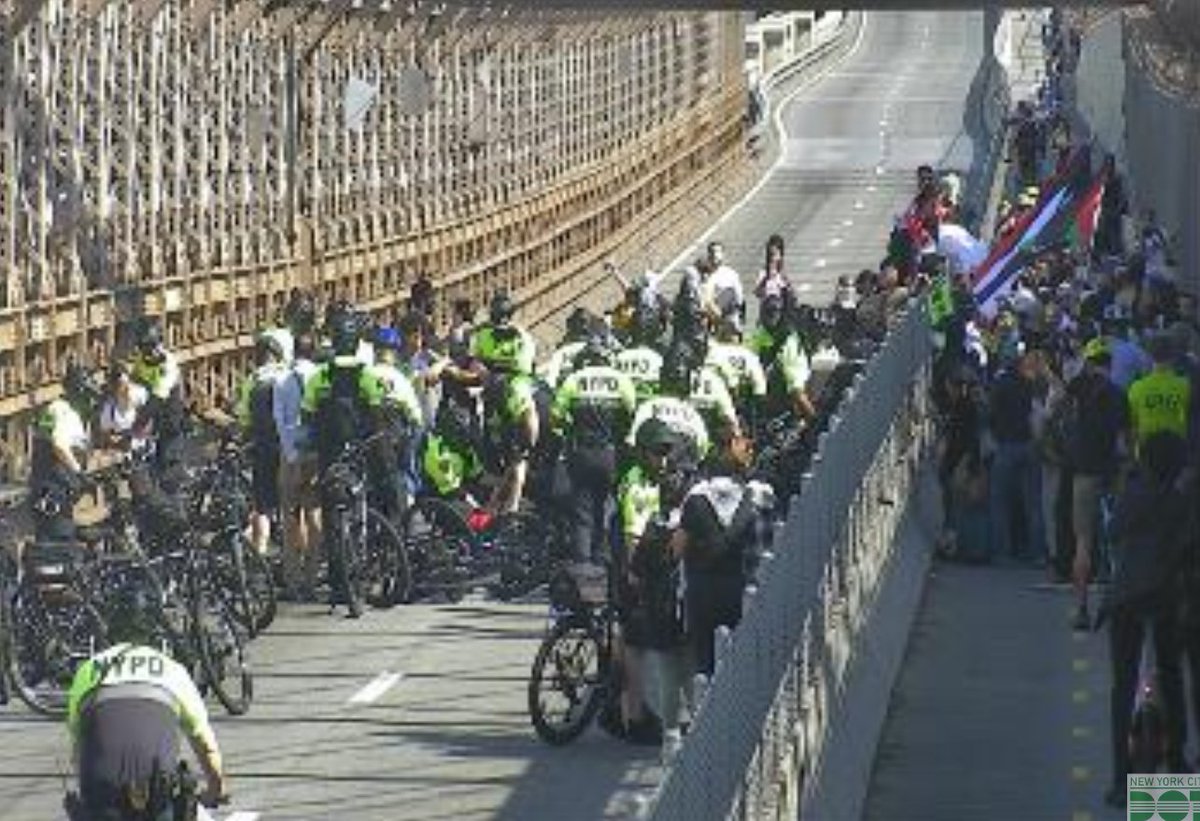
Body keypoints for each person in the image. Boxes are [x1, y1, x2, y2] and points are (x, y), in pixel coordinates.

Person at [1099, 432, 1194, 808]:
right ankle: (1177, 764)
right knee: (1171, 677)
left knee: (1123, 685)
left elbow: (1111, 532)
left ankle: (1122, 781)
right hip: (1167, 598)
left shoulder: (1133, 493)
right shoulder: (1181, 502)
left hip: (1126, 598)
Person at [66, 640, 228, 819]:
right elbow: (205, 745)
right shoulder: (173, 670)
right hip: (156, 785)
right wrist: (215, 789)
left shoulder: (87, 670)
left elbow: (79, 747)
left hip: (101, 783)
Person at [671, 434, 773, 678]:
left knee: (704, 659)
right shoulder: (760, 495)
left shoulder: (696, 495)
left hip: (702, 588)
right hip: (743, 588)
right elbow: (768, 543)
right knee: (740, 659)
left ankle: (704, 706)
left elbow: (677, 549)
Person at [551, 338, 637, 579]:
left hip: (580, 451)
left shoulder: (574, 380)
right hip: (609, 451)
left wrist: (571, 428)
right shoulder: (621, 380)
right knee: (608, 502)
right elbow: (631, 414)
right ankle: (604, 554)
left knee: (582, 505)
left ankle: (583, 557)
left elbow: (556, 417)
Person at [1061, 337, 1129, 628]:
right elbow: (1125, 442)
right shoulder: (1118, 394)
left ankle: (1080, 608)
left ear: (1089, 363)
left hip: (1084, 472)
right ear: (1110, 365)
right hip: (1112, 472)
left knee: (1083, 542)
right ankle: (1121, 605)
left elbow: (1059, 406)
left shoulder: (1078, 387)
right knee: (1120, 542)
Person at [986, 347, 1045, 564]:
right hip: (1029, 445)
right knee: (1033, 504)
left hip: (1007, 445)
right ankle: (1038, 553)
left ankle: (1002, 553)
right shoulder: (1030, 384)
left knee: (1000, 501)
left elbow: (990, 414)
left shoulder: (1000, 384)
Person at [235, 333, 292, 557]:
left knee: (262, 503)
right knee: (292, 502)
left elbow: (244, 417)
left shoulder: (253, 380)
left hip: (263, 445)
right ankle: (295, 553)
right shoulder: (288, 375)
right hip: (288, 446)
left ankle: (260, 551)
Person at [275, 332, 321, 601]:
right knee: (314, 515)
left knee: (290, 516)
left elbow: (278, 420)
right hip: (314, 454)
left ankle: (292, 579)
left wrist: (290, 452)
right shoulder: (320, 376)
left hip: (290, 453)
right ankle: (312, 578)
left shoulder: (282, 380)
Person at [29, 364, 96, 542]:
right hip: (54, 487)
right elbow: (58, 445)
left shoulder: (54, 408)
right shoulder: (64, 412)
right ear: (79, 391)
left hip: (43, 485)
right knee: (60, 541)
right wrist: (79, 473)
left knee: (46, 539)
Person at [128, 318, 185, 470]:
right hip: (151, 415)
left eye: (151, 346)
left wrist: (137, 425)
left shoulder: (167, 363)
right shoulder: (141, 359)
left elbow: (158, 398)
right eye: (143, 347)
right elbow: (134, 379)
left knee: (168, 462)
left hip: (168, 415)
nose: (149, 351)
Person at [1127, 334, 1192, 455]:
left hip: (1146, 451)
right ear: (1173, 356)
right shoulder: (1184, 386)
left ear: (1150, 356)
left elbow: (1132, 426)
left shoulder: (1136, 387)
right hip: (1176, 450)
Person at [97, 361, 152, 455]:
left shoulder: (140, 393)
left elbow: (152, 416)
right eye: (120, 385)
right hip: (125, 452)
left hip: (146, 445)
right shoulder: (109, 410)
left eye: (126, 384)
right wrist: (115, 441)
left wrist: (140, 433)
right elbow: (105, 434)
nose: (126, 389)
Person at [700, 241, 744, 322]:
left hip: (728, 316)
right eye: (712, 252)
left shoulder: (731, 274)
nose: (715, 254)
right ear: (708, 255)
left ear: (723, 255)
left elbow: (739, 298)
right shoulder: (702, 275)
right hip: (708, 318)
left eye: (718, 251)